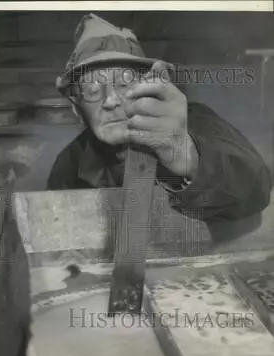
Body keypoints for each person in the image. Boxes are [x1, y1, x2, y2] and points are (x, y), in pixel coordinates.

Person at [47, 13, 271, 222]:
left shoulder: (192, 123)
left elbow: (256, 189)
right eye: (92, 89)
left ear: (150, 86)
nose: (110, 99)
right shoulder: (69, 165)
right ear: (77, 108)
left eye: (124, 82)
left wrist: (185, 154)